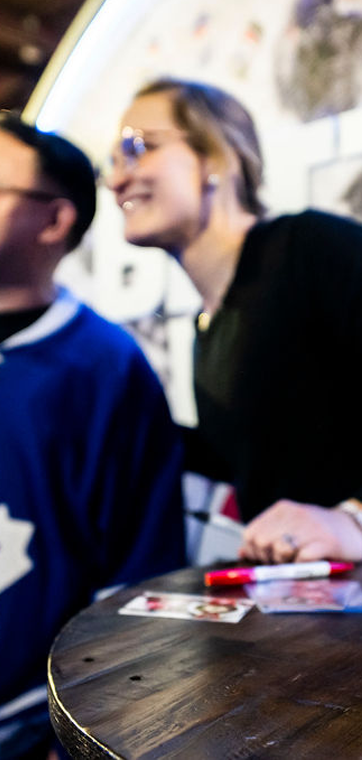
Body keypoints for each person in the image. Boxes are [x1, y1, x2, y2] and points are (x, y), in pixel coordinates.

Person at [104, 77, 362, 567]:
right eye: (111, 162)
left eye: (138, 148)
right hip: (306, 606)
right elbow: (260, 460)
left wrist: (361, 520)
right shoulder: (209, 322)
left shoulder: (312, 249)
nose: (117, 179)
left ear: (217, 156)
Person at [0, 114, 186, 759]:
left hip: (33, 716)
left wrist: (90, 717)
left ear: (53, 221)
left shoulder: (105, 366)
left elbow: (141, 567)